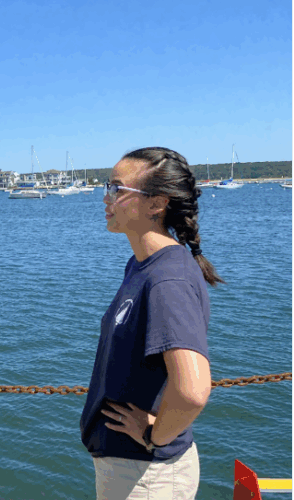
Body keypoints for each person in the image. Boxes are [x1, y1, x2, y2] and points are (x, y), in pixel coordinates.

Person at [80, 147, 222, 499]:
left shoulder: (166, 278)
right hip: (130, 469)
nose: (106, 198)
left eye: (116, 189)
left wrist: (153, 436)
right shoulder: (141, 265)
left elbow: (192, 391)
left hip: (146, 476)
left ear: (157, 204)